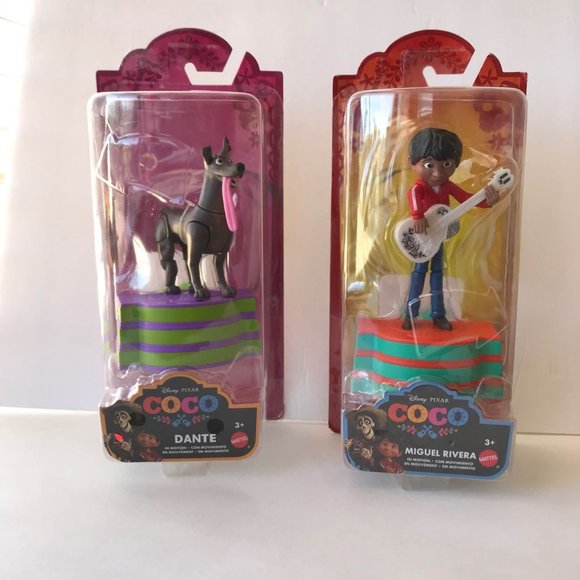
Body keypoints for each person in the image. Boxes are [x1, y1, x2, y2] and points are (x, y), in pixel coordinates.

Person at [402, 128, 499, 331]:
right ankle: (410, 314)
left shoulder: (448, 186)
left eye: (446, 164)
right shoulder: (419, 187)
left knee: (438, 273)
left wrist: (486, 201)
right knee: (419, 272)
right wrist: (418, 216)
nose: (438, 173)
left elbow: (466, 199)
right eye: (429, 165)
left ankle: (439, 314)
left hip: (437, 237)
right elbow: (413, 195)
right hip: (422, 237)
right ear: (413, 162)